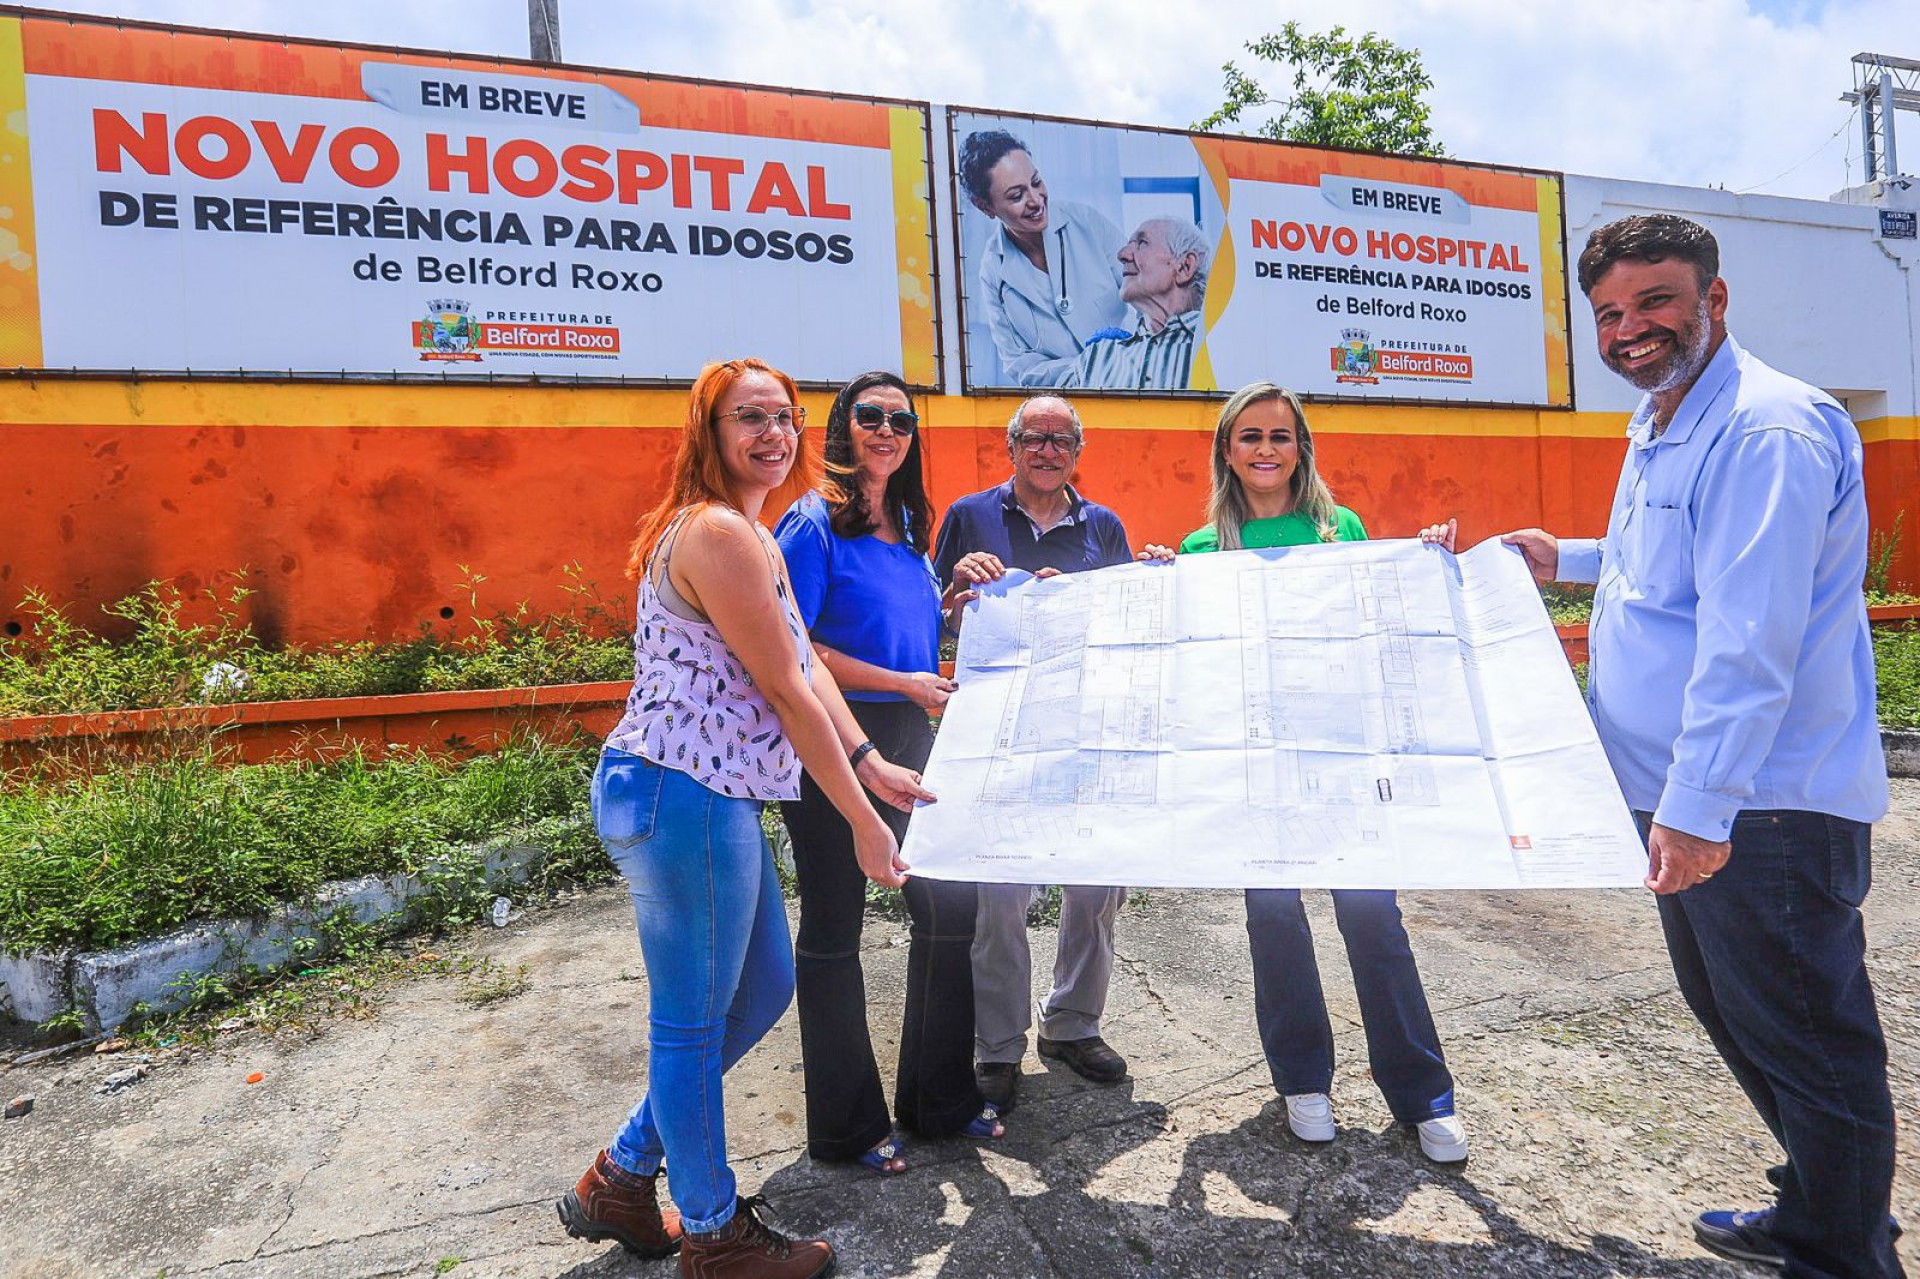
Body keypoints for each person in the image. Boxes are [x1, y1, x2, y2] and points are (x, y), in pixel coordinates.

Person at [1487, 214, 1900, 1278]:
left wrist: (1697, 811)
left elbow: (1747, 643)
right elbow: (1655, 568)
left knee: (1809, 1041)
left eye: (1656, 301)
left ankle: (1847, 1254)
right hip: (1693, 796)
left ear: (1714, 299)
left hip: (1758, 806)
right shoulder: (1669, 416)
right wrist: (1561, 553)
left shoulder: (1764, 430)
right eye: (1611, 313)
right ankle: (1817, 1209)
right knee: (1746, 1022)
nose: (1631, 329)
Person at [556, 358, 932, 1279]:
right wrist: (859, 818)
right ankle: (716, 1233)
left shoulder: (755, 532)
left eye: (784, 416)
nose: (772, 432)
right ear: (710, 432)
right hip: (676, 790)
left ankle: (622, 1173)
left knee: (760, 988)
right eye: (747, 417)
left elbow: (805, 663)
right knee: (688, 1024)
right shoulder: (719, 533)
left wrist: (870, 759)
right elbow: (783, 691)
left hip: (712, 793)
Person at [1178, 381, 1469, 1165]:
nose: (1266, 449)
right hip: (1256, 766)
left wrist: (1428, 558)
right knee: (1274, 921)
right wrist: (1160, 589)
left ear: (1300, 447)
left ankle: (1422, 1094)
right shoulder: (1201, 551)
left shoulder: (1343, 531)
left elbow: (1383, 623)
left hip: (1344, 762)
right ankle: (1303, 1080)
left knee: (1373, 918)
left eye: (1280, 435)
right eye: (1250, 437)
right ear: (1227, 452)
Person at [773, 370, 1003, 1176]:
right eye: (869, 416)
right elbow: (791, 650)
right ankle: (846, 1128)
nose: (886, 429)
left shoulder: (909, 520)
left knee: (947, 902)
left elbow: (900, 623)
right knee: (836, 925)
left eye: (901, 420)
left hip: (911, 729)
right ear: (842, 427)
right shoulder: (808, 523)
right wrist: (903, 682)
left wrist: (956, 603)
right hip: (835, 739)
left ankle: (938, 1100)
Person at [931, 394, 1173, 1113]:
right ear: (1011, 447)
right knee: (999, 893)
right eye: (1033, 437)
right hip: (999, 733)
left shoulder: (1103, 526)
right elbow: (936, 622)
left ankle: (1072, 1023)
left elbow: (1130, 624)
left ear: (1077, 451)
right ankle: (998, 1046)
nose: (1046, 449)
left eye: (1060, 439)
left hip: (1085, 729)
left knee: (1096, 884)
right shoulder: (969, 517)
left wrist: (1146, 576)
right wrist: (958, 592)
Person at [960, 128, 1129, 388]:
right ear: (986, 206)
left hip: (1134, 382)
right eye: (1017, 196)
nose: (1036, 200)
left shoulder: (1087, 223)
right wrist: (1089, 365)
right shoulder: (993, 271)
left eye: (1036, 182)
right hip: (1070, 403)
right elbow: (1021, 366)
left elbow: (1150, 297)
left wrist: (1131, 354)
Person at [1066, 217, 1208, 392]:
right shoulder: (1096, 358)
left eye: (1142, 243)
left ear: (1185, 266)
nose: (1122, 255)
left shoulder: (1218, 350)